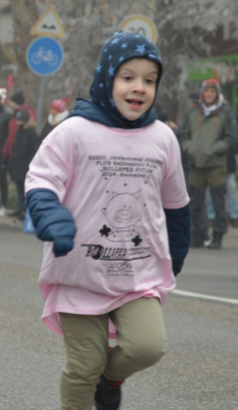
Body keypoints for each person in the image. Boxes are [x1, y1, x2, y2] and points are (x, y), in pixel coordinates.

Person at [26, 31, 190, 410]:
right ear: (107, 78)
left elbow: (177, 206)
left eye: (149, 80)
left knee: (148, 347)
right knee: (84, 367)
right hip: (78, 271)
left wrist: (175, 255)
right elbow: (40, 181)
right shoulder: (73, 131)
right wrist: (53, 220)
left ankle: (111, 379)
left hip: (137, 274)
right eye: (128, 77)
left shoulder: (163, 138)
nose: (139, 88)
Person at [178, 79, 238, 249]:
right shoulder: (193, 112)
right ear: (202, 94)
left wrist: (214, 149)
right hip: (196, 164)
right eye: (207, 92)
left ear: (217, 94)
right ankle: (198, 235)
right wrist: (189, 148)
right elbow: (182, 133)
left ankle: (218, 236)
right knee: (194, 203)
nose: (209, 95)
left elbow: (232, 137)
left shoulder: (225, 113)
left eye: (213, 92)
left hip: (216, 165)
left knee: (218, 202)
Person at [206, 113, 238, 229]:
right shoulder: (208, 116)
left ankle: (234, 216)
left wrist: (234, 150)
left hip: (229, 161)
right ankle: (211, 216)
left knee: (231, 188)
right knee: (210, 190)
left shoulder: (232, 117)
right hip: (212, 161)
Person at [8, 109, 40, 221]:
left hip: (26, 167)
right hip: (18, 166)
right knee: (19, 190)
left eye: (20, 121)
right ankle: (20, 209)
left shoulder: (32, 134)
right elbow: (15, 149)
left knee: (25, 191)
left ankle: (25, 211)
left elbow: (33, 152)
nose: (17, 123)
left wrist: (29, 166)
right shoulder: (19, 133)